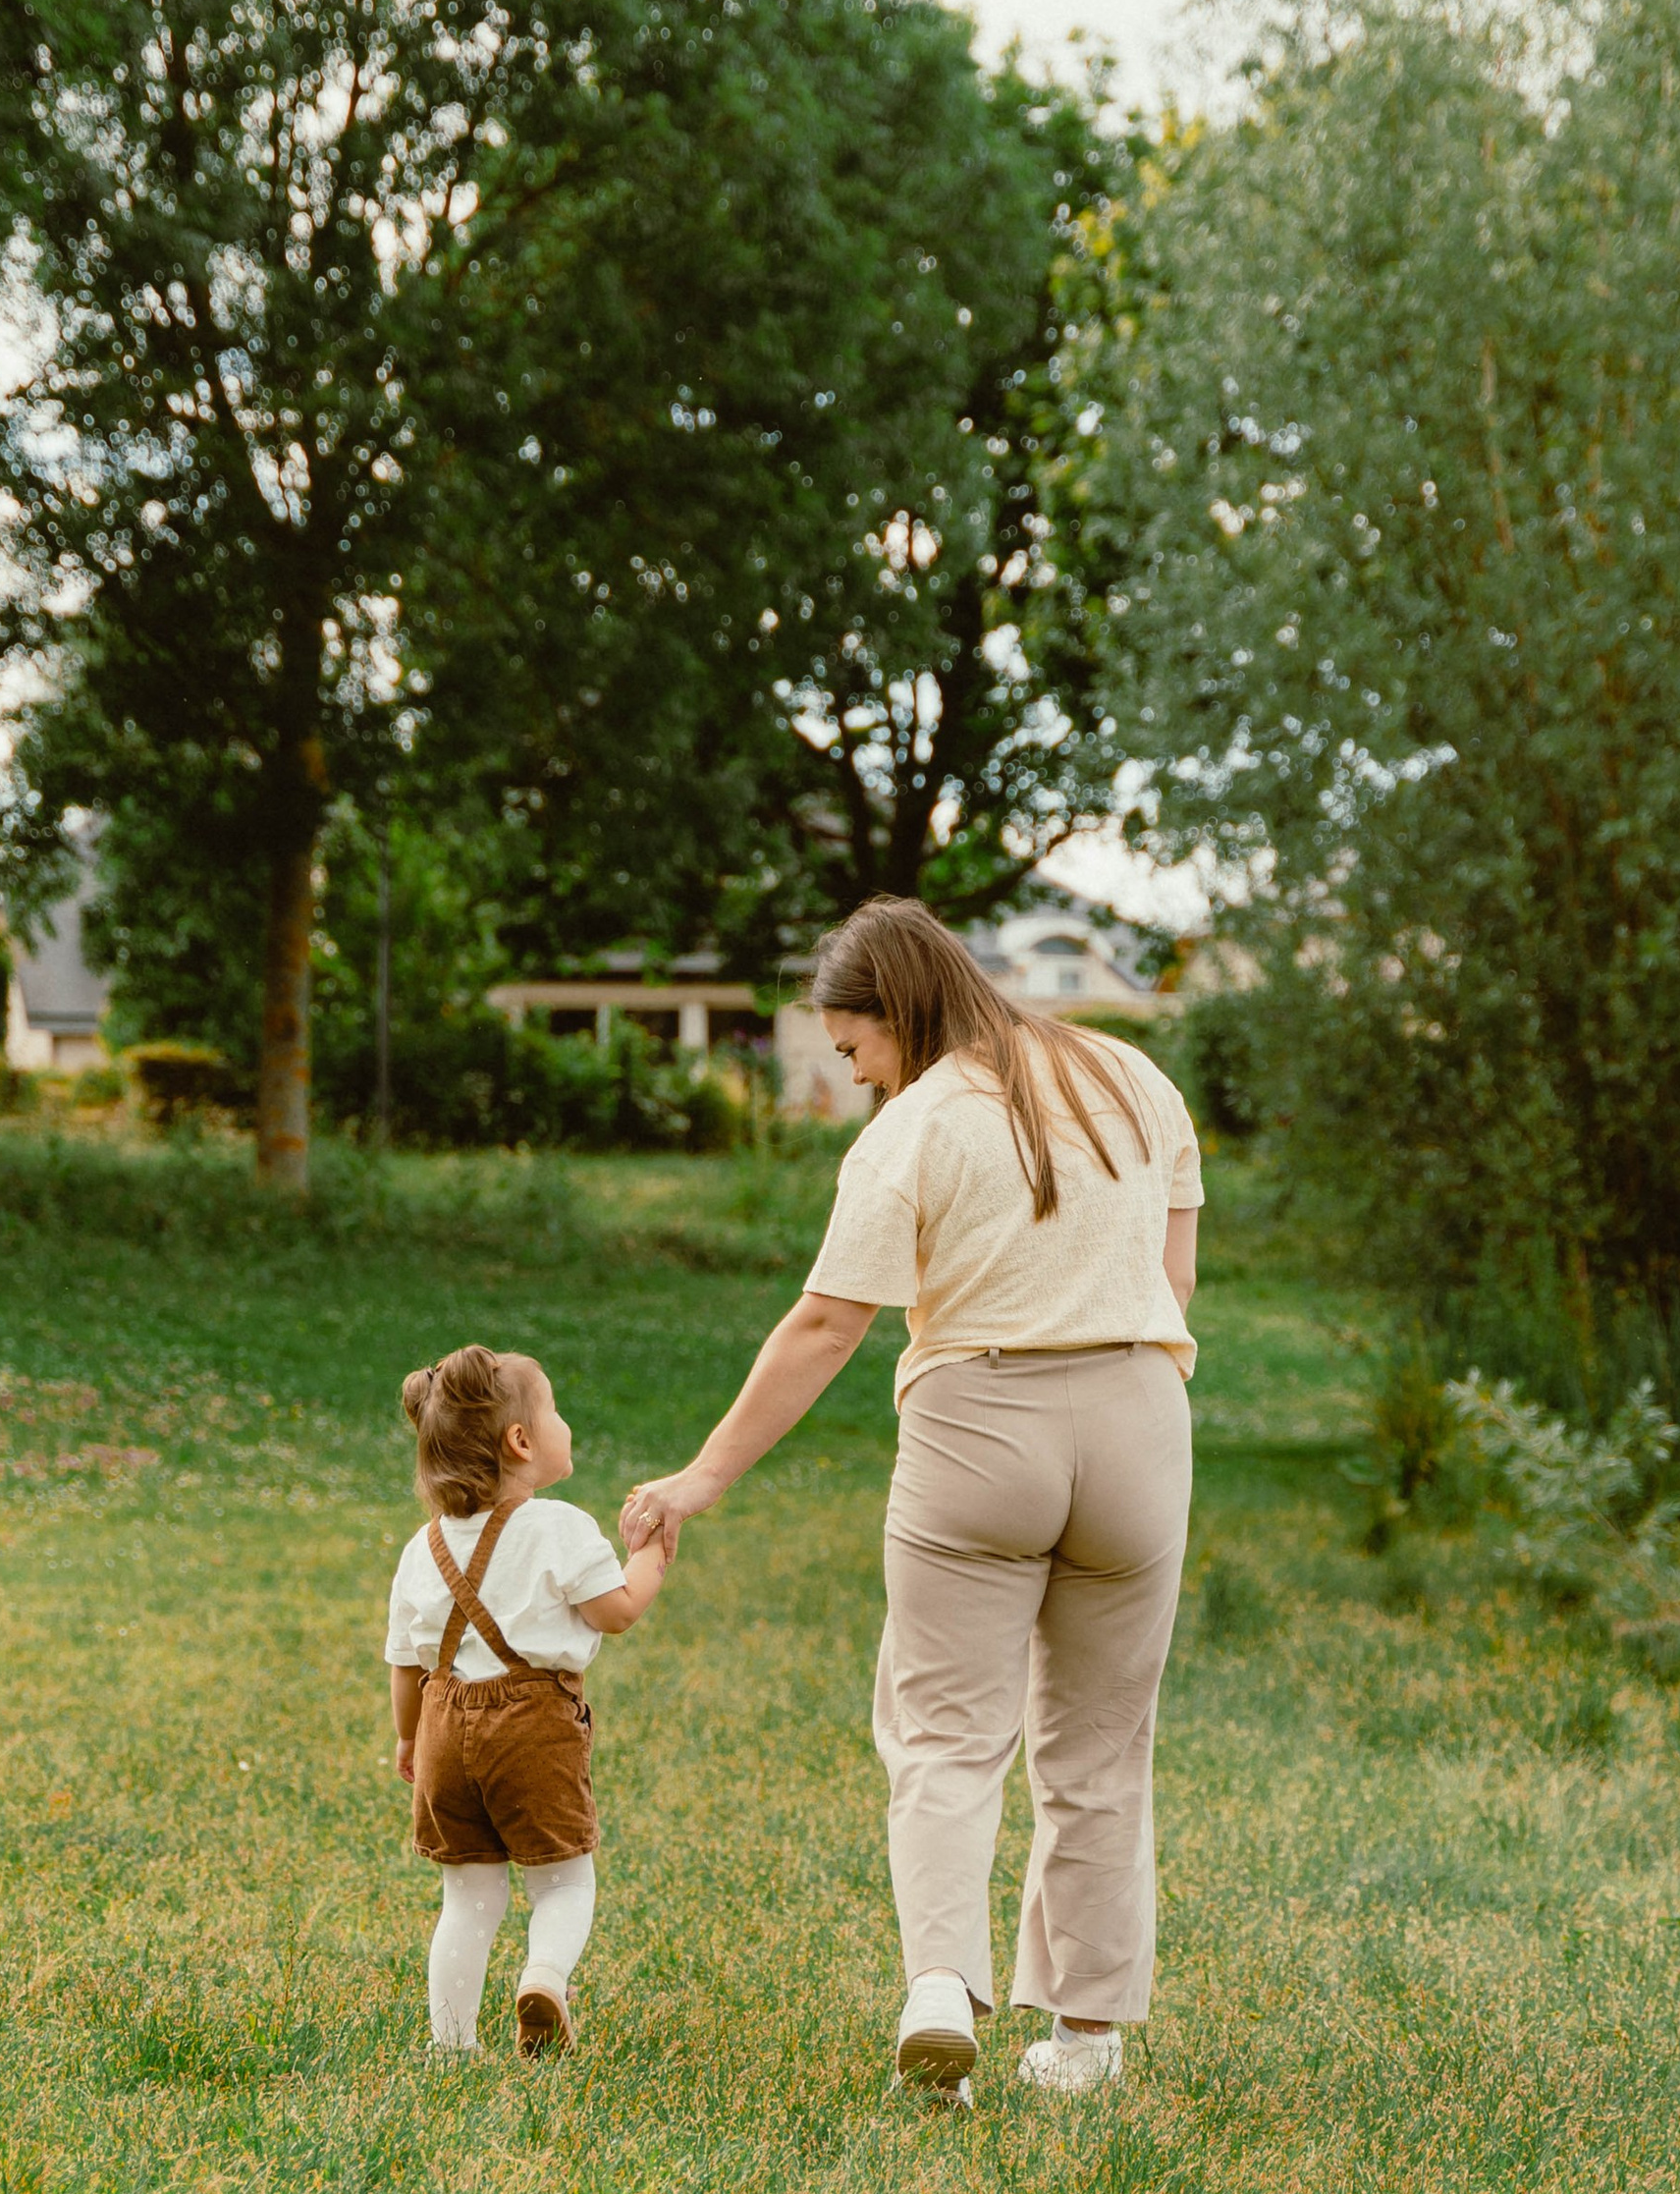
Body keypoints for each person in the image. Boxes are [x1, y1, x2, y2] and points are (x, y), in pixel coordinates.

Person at [623, 898, 1201, 2104]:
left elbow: (830, 1322)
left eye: (852, 1049)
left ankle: (942, 1988)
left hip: (980, 1428)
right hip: (1142, 1424)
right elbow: (1172, 1279)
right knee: (1099, 1749)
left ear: (898, 1011)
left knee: (944, 1735)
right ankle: (1085, 2046)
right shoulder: (1136, 1077)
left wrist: (701, 1477)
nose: (851, 1077)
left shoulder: (915, 1129)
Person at [389, 1346, 673, 2057]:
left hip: (443, 1727)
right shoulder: (558, 1526)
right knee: (564, 1882)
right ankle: (543, 1979)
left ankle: (451, 2044)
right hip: (533, 1726)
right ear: (521, 1441)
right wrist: (653, 1555)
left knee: (468, 1900)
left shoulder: (422, 1547)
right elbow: (616, 1612)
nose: (562, 1423)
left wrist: (406, 1739)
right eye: (553, 1411)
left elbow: (404, 1662)